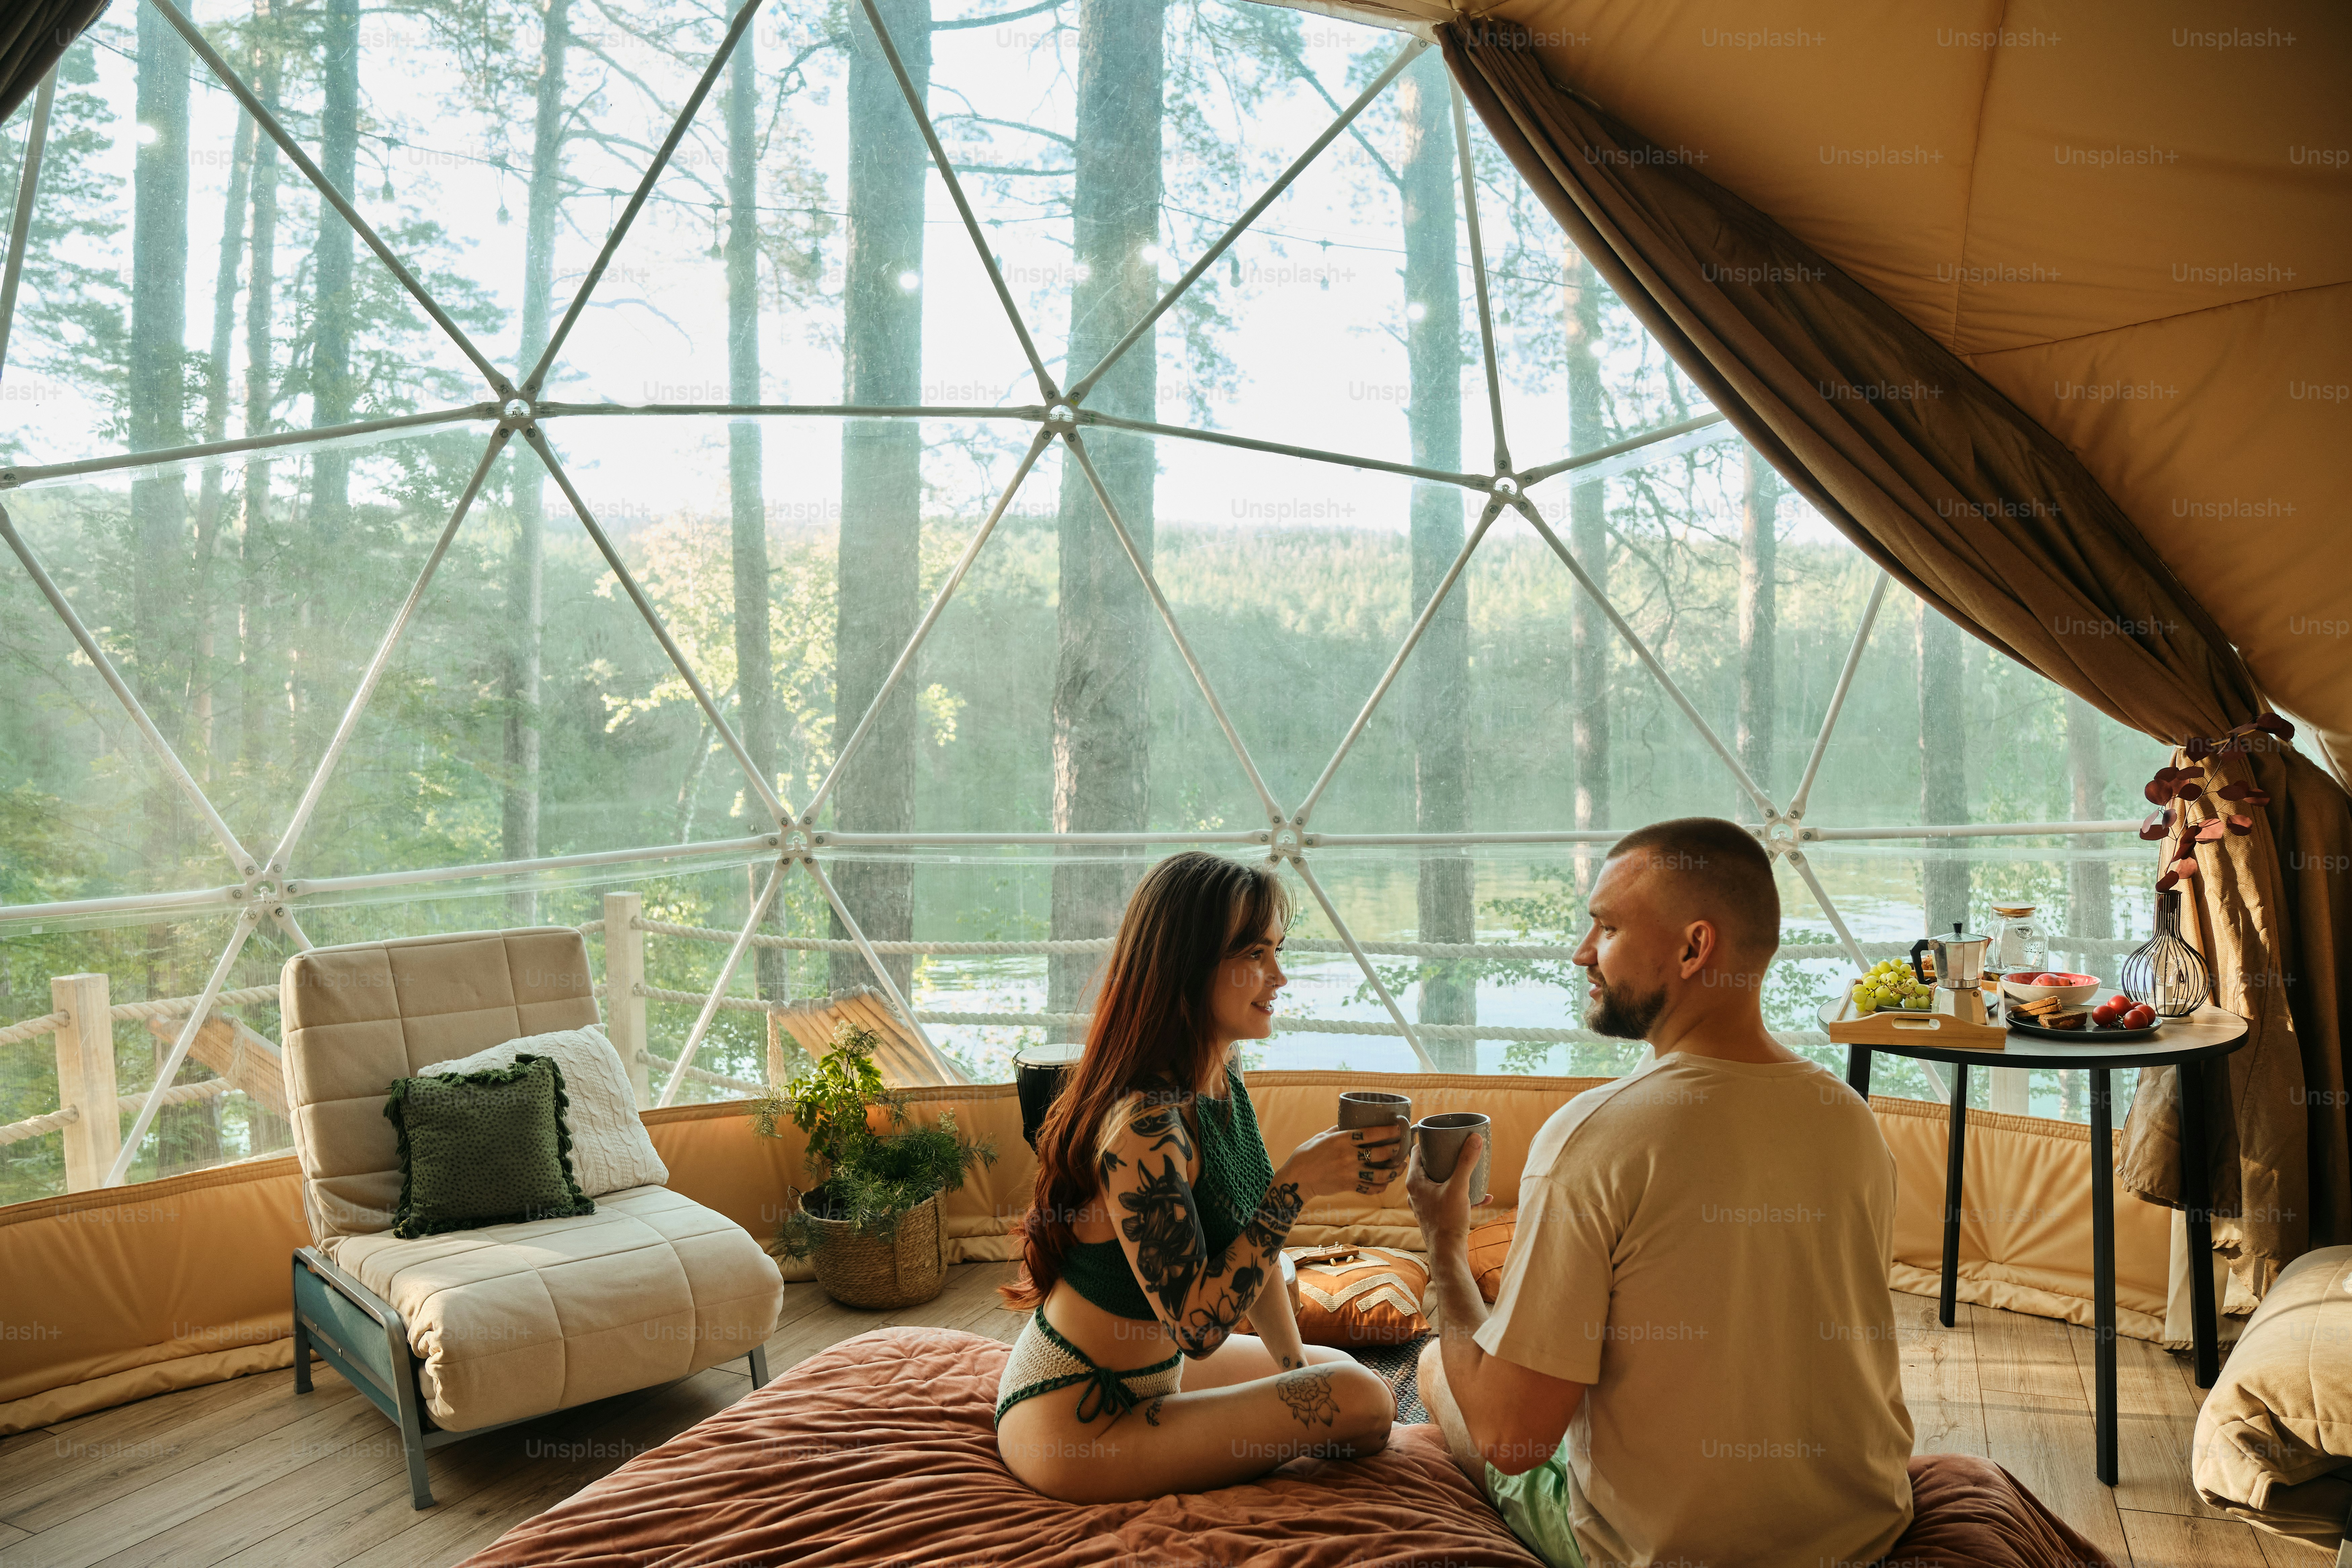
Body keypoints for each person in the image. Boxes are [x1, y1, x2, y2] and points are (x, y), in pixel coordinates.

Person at [1408, 817, 1915, 1568]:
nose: (1582, 954)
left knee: (1432, 1367)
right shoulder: (1846, 1118)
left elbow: (1511, 1441)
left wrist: (1444, 1247)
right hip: (1862, 1532)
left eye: (1605, 929)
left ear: (1692, 948)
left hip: (1660, 1551)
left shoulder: (1595, 1135)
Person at [995, 850, 1405, 1502]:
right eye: (1253, 955)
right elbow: (1199, 1331)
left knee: (1337, 1373)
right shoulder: (1143, 1128)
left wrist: (1292, 1377)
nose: (1279, 976)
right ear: (1186, 969)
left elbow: (1255, 1249)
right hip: (1078, 1424)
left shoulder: (1220, 1076)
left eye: (1276, 949)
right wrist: (1293, 1187)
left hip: (1160, 1376)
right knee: (1363, 1400)